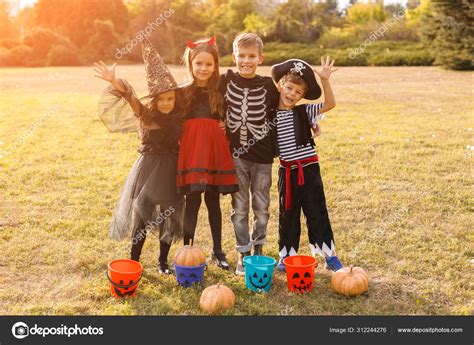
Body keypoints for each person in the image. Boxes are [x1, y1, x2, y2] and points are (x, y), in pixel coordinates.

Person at [94, 38, 184, 274]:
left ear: (175, 99)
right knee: (142, 214)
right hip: (147, 170)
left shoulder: (180, 119)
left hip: (170, 171)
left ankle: (163, 262)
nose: (166, 103)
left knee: (169, 215)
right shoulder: (146, 116)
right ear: (154, 100)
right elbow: (130, 97)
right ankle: (134, 259)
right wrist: (114, 80)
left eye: (170, 99)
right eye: (161, 99)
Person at [270, 57, 343, 272]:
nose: (292, 94)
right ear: (280, 85)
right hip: (287, 171)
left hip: (309, 169)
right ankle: (287, 256)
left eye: (298, 93)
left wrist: (325, 80)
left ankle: (328, 255)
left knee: (317, 211)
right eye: (289, 88)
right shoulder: (270, 114)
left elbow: (330, 104)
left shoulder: (304, 112)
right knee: (287, 214)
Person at [220, 33, 280, 275]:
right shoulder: (225, 81)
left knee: (262, 209)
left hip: (263, 159)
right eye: (241, 56)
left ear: (260, 59)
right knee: (240, 209)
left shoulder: (268, 86)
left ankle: (258, 250)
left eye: (251, 56)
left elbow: (285, 109)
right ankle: (242, 254)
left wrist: (310, 123)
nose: (246, 61)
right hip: (236, 157)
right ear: (234, 57)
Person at [177, 36, 239, 270]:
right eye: (198, 64)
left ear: (215, 66)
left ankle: (218, 251)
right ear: (191, 64)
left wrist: (226, 124)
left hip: (215, 151)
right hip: (193, 153)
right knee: (192, 201)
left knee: (213, 201)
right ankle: (188, 248)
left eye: (208, 64)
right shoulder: (183, 92)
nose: (203, 68)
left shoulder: (221, 88)